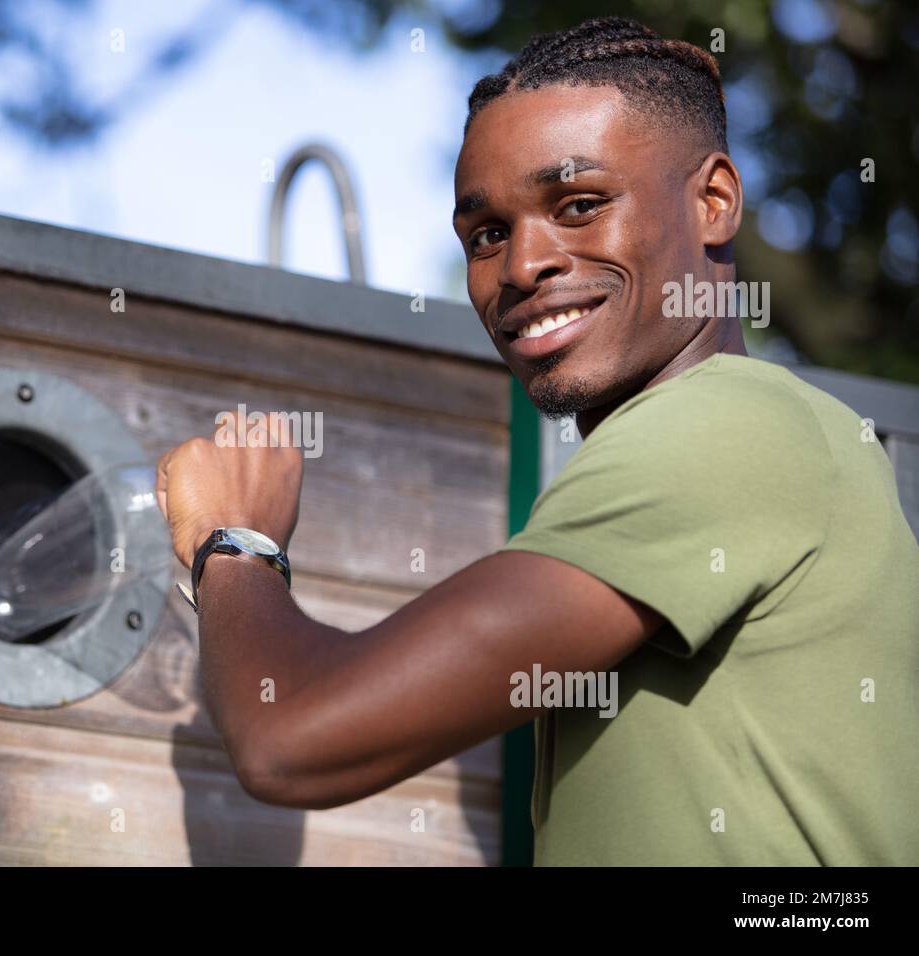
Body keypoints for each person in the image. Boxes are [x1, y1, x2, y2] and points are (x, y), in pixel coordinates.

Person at [154, 16, 919, 865]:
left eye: (579, 205)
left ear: (714, 202)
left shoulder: (724, 426)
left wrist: (234, 541)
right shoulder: (747, 441)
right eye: (487, 234)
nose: (522, 266)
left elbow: (288, 734)